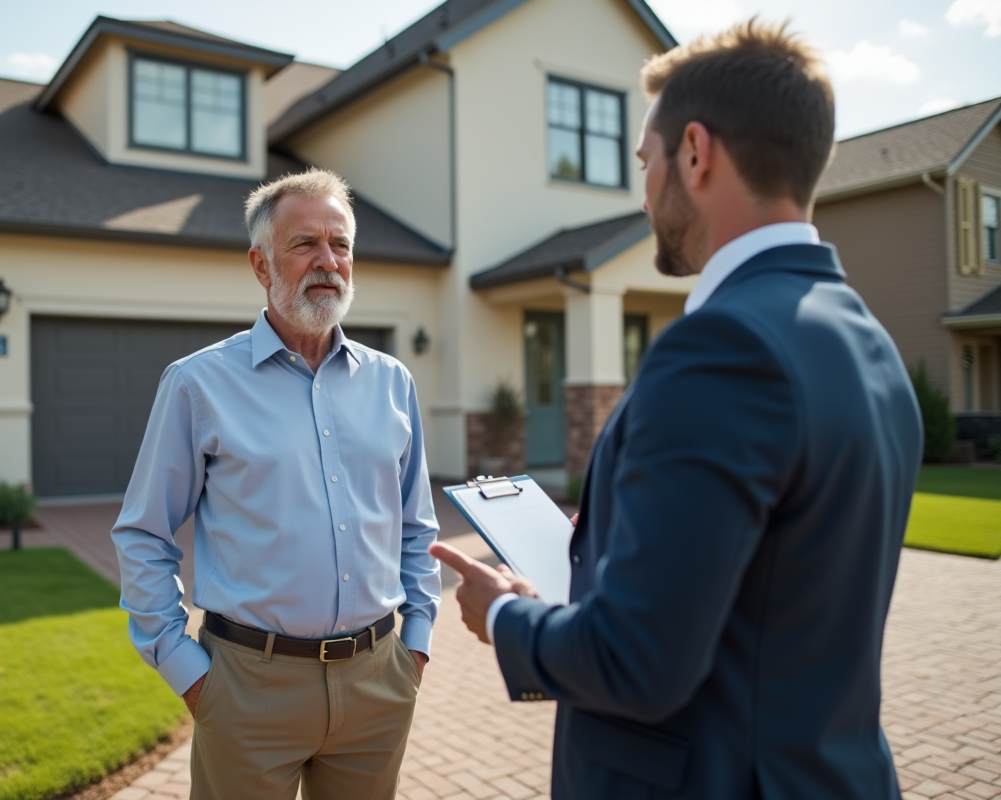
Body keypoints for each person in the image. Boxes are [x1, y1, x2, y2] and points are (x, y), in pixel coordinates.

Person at [432, 20, 922, 800]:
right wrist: (615, 536)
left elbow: (636, 661)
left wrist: (501, 615)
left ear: (695, 153)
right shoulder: (869, 343)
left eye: (645, 161)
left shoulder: (720, 347)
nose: (644, 190)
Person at [112, 168, 440, 800]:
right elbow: (143, 534)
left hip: (379, 683)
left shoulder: (392, 383)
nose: (328, 261)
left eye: (340, 244)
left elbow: (417, 526)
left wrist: (416, 647)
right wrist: (189, 674)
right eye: (305, 244)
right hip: (247, 689)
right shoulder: (197, 384)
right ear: (261, 265)